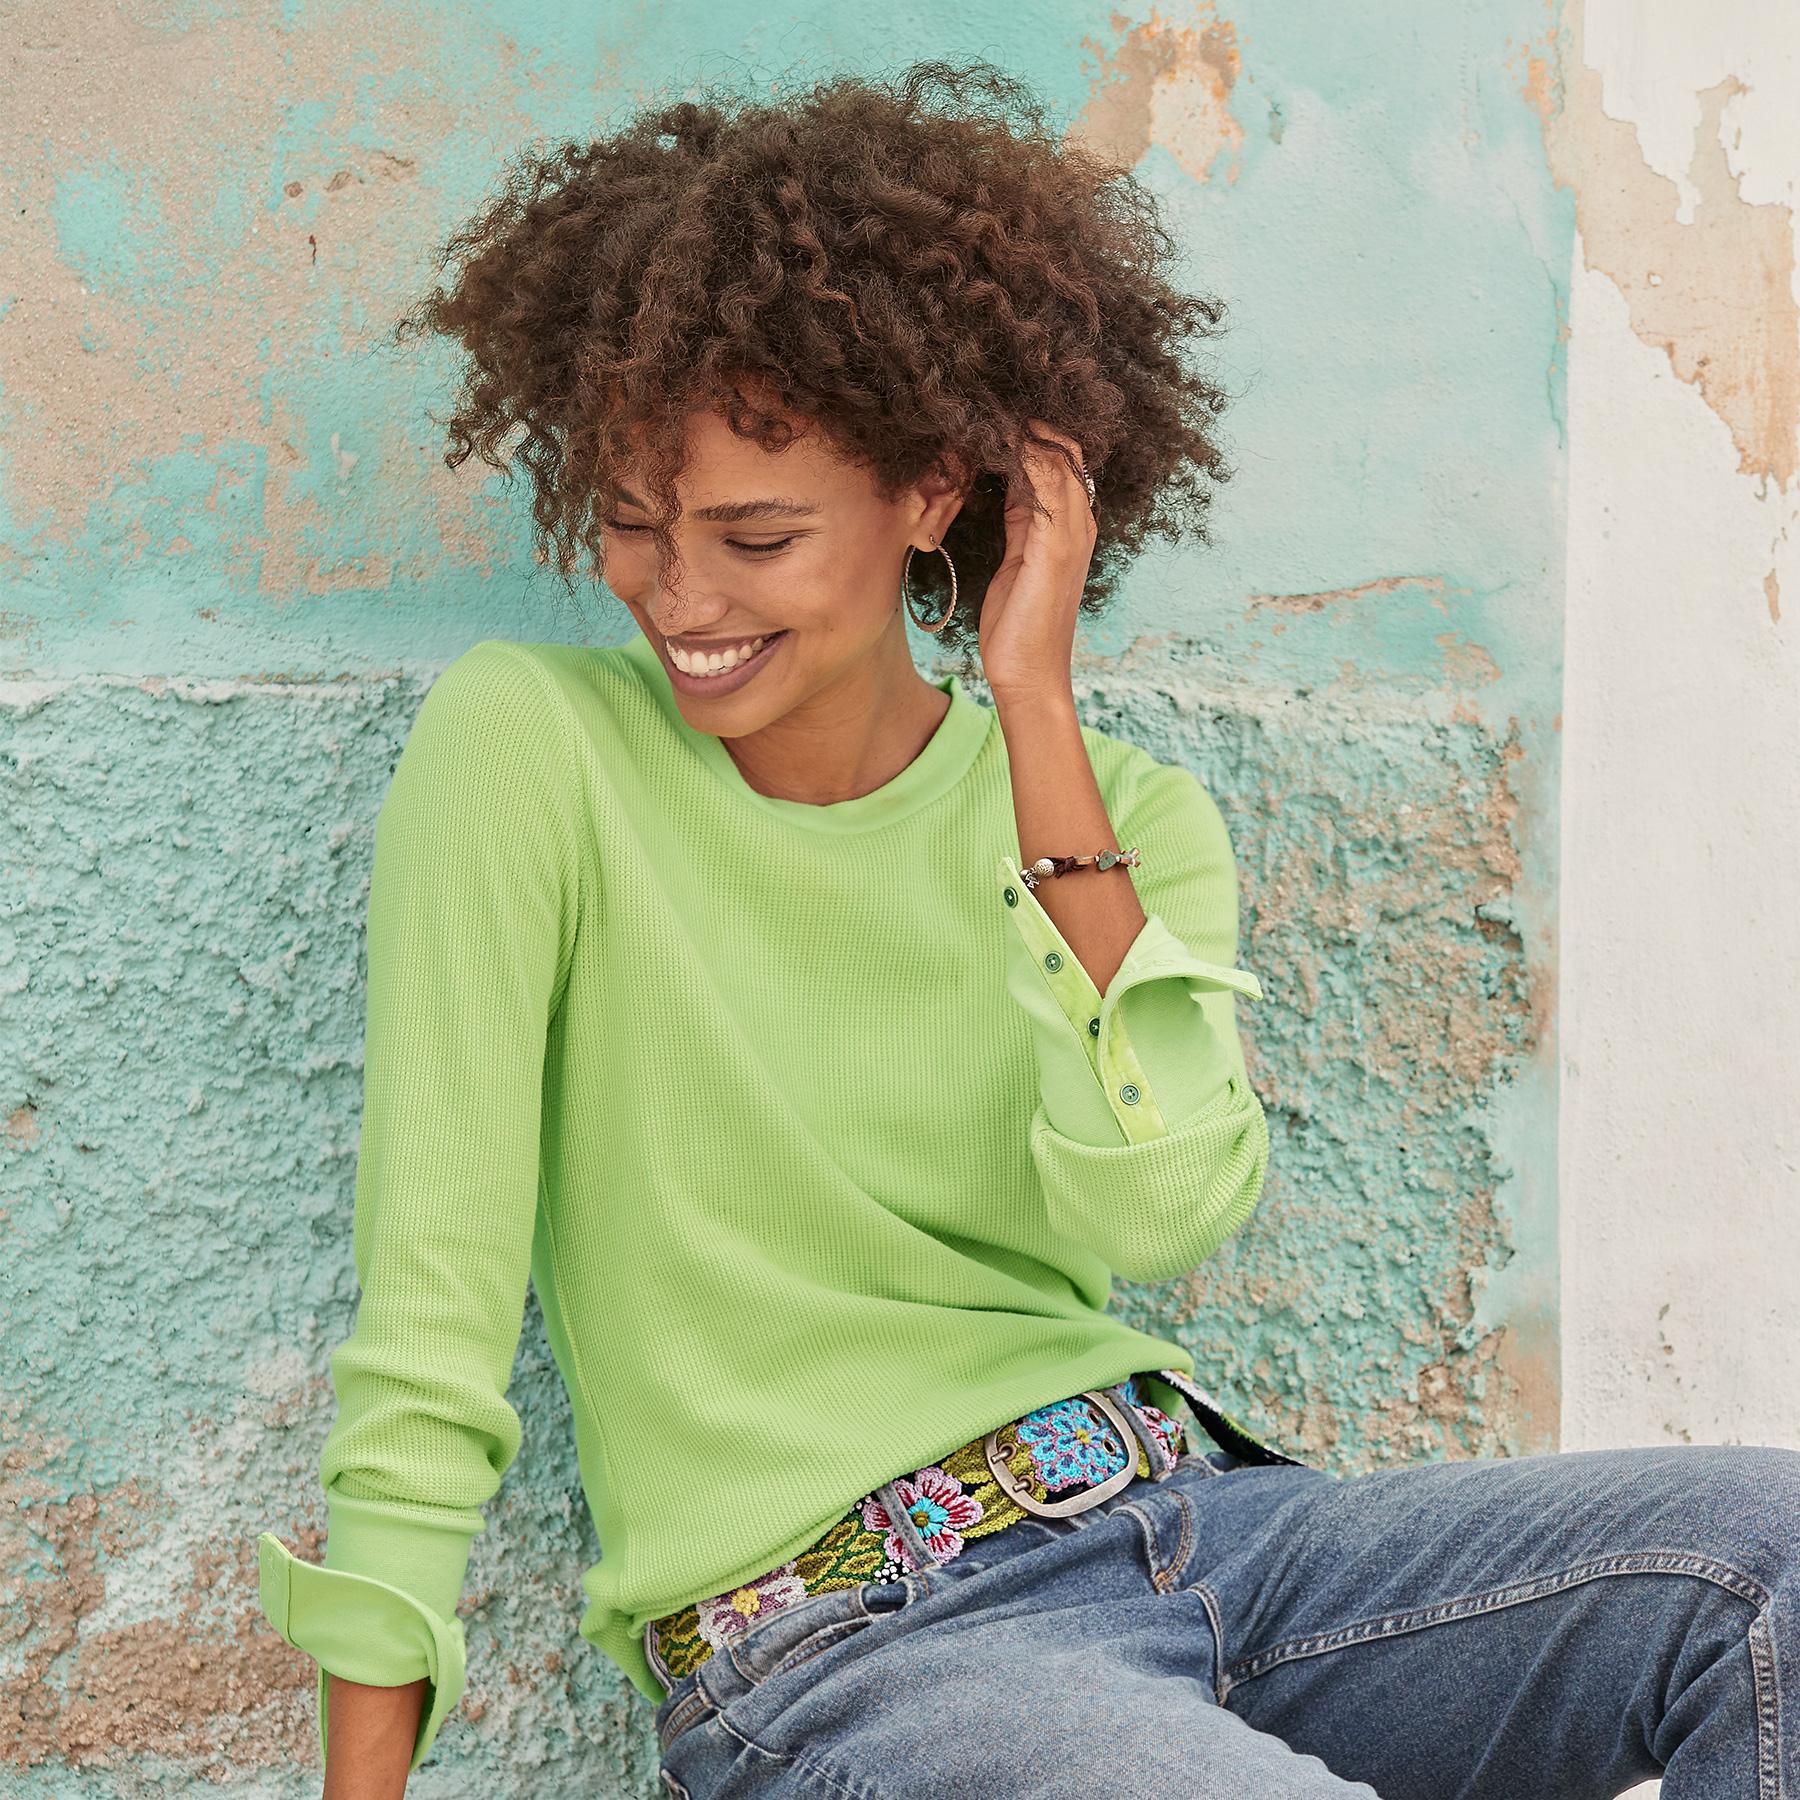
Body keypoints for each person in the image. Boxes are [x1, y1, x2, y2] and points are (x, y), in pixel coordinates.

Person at [254, 59, 1798, 1800]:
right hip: (854, 1646)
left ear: (934, 492)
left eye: (755, 535)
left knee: (1778, 1568)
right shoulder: (533, 749)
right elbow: (430, 1334)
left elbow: (1162, 1206)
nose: (678, 595)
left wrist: (1034, 709)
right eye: (629, 524)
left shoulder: (1124, 822)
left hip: (1211, 1533)